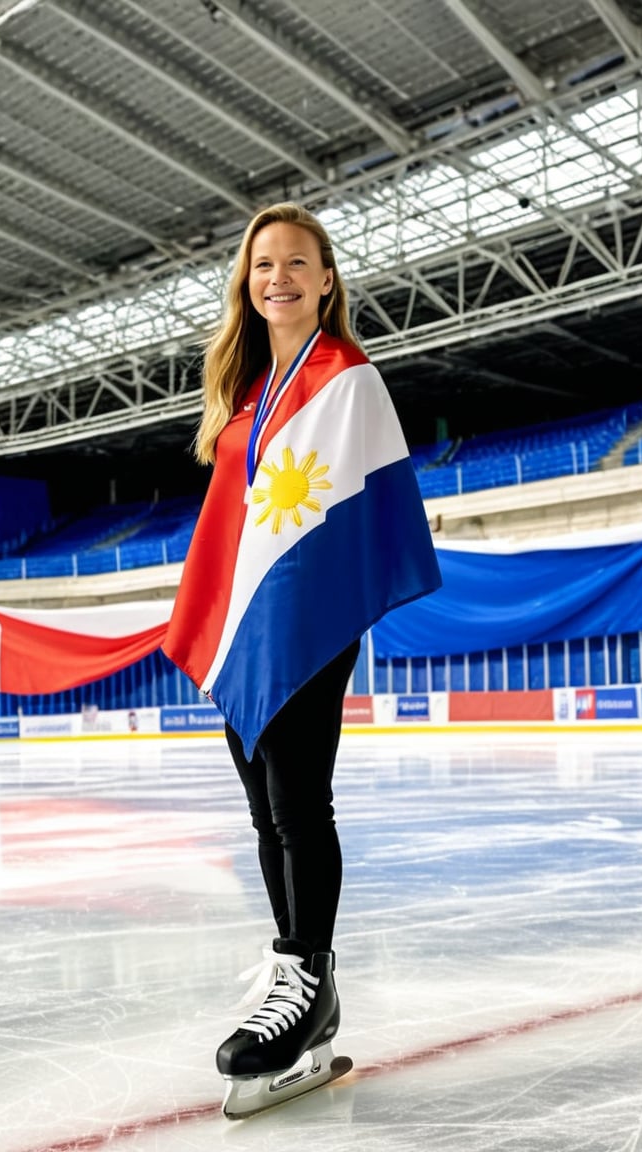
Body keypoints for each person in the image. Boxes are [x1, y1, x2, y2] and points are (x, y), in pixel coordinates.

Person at [160, 202, 441, 1117]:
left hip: (309, 614)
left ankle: (310, 986)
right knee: (260, 807)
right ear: (248, 282)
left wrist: (306, 605)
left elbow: (359, 503)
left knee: (296, 800)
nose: (276, 276)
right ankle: (292, 965)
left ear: (326, 280)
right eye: (261, 264)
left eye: (296, 262)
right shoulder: (244, 396)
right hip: (252, 620)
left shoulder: (347, 379)